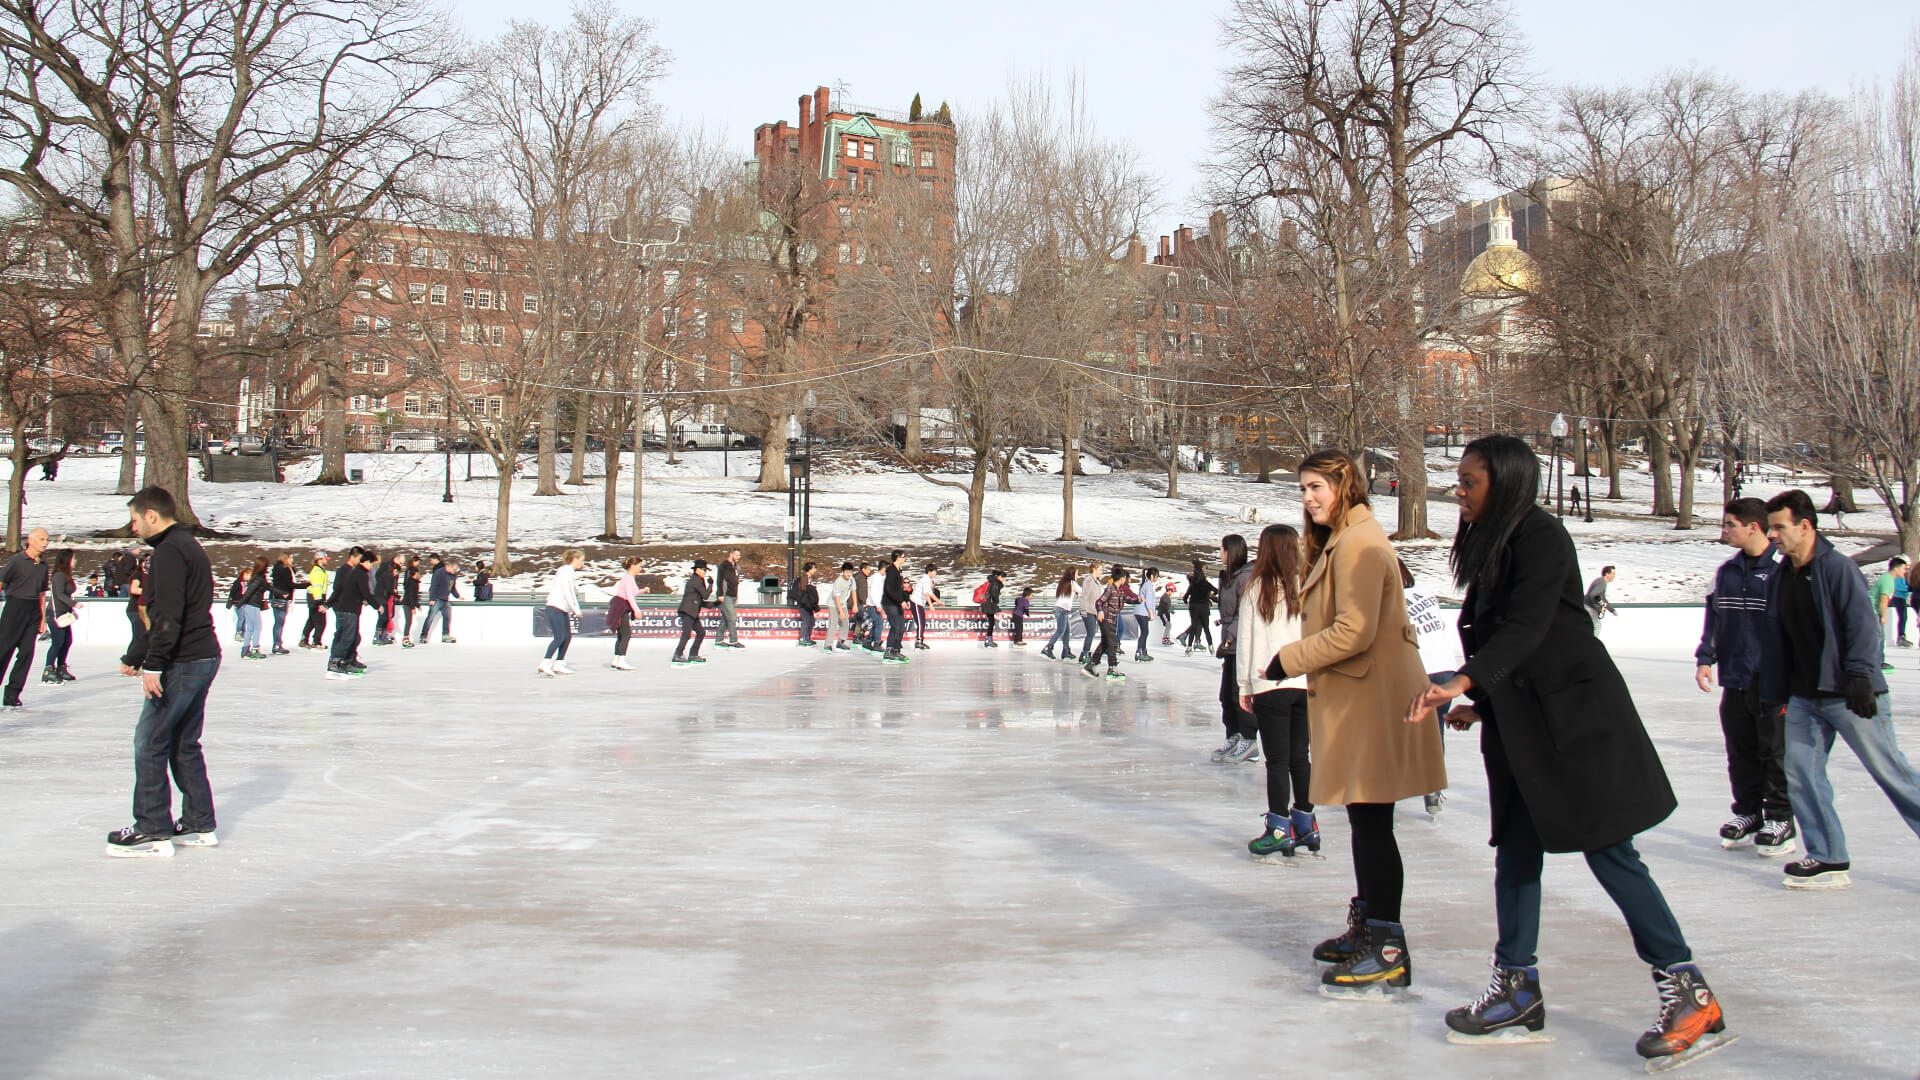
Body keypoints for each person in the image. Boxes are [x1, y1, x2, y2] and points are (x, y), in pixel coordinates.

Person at [1409, 435, 1725, 1066]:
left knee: (1610, 850)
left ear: (1505, 481)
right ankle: (1517, 987)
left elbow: (1531, 627)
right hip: (1524, 721)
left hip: (1574, 720)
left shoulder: (1541, 536)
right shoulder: (1497, 542)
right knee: (1517, 853)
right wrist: (1482, 703)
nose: (1458, 491)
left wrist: (1464, 680)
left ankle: (1687, 989)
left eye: (1470, 481)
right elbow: (1508, 635)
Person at [1268, 448, 1441, 1001]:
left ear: (1347, 486)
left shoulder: (1361, 543)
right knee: (1368, 822)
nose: (1308, 498)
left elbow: (1355, 631)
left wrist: (1288, 659)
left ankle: (1387, 948)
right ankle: (1370, 925)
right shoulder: (1345, 540)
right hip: (1361, 697)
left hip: (1374, 701)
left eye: (1317, 486)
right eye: (1303, 488)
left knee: (1373, 824)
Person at [1762, 489, 1920, 890]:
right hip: (1804, 695)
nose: (1773, 535)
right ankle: (1828, 856)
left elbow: (1862, 626)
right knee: (1801, 774)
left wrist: (1862, 677)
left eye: (1779, 527)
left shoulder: (1836, 569)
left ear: (1805, 526)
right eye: (1770, 528)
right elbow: (1781, 637)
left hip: (1850, 693)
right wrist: (1776, 690)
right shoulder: (1781, 575)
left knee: (1892, 774)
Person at [107, 486, 221, 858]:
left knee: (150, 740)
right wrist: (139, 654)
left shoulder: (170, 552)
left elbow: (168, 614)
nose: (133, 527)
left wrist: (154, 663)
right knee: (182, 742)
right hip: (201, 656)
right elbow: (170, 610)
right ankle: (198, 823)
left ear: (152, 516)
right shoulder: (188, 545)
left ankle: (152, 827)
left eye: (136, 519)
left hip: (183, 660)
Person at [1694, 498, 1796, 856]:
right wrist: (1706, 658)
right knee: (1740, 750)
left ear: (1753, 526)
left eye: (1730, 524)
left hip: (1770, 680)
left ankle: (1780, 816)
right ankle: (1748, 812)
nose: (1724, 531)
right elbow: (1715, 619)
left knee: (1773, 751)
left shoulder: (1782, 571)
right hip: (1734, 677)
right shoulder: (1727, 571)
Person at [1236, 523, 1315, 862]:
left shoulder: (1257, 588)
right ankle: (1307, 822)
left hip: (1269, 681)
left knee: (1277, 761)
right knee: (1301, 757)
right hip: (1304, 681)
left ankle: (1280, 827)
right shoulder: (1307, 587)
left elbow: (1246, 640)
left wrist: (1243, 685)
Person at [1402, 560, 1463, 818]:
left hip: (1420, 669)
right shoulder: (1425, 592)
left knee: (1400, 726)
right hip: (1446, 669)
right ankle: (1433, 786)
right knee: (1435, 730)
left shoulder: (1387, 600)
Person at [1212, 535, 1259, 765]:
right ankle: (1234, 735)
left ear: (1230, 551)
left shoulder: (1246, 578)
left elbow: (1245, 612)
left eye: (1221, 549)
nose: (1219, 554)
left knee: (1239, 694)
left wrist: (1230, 636)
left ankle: (1249, 739)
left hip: (1241, 644)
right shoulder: (1228, 578)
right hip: (1230, 646)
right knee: (1226, 696)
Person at [0, 526, 50, 708]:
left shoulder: (43, 565)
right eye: (42, 539)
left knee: (27, 654)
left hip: (33, 611)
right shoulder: (17, 560)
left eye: (47, 539)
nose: (45, 543)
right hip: (14, 608)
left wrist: (43, 619)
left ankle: (13, 694)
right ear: (31, 540)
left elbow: (43, 593)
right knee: (3, 651)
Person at [1082, 566, 1135, 681]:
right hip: (1106, 619)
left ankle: (1090, 665)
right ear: (1122, 578)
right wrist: (1100, 611)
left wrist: (1138, 600)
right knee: (1112, 643)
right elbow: (1099, 601)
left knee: (1105, 643)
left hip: (1112, 620)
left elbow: (1127, 599)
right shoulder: (1110, 589)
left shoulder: (1120, 590)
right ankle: (1112, 668)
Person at [539, 549, 584, 676]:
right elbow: (567, 591)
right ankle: (545, 662)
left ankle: (559, 662)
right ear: (574, 560)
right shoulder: (566, 572)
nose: (582, 563)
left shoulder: (569, 572)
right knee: (559, 637)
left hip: (562, 608)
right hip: (555, 607)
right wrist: (576, 609)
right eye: (581, 560)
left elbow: (570, 589)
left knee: (567, 636)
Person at [325, 548, 369, 680]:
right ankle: (336, 662)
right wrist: (330, 604)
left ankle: (348, 660)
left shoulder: (353, 571)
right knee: (345, 636)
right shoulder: (344, 571)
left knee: (354, 637)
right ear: (353, 557)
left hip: (351, 608)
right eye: (359, 559)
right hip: (343, 608)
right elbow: (338, 590)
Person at [42, 548, 78, 684]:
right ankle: (48, 670)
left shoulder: (66, 575)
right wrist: (74, 604)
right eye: (73, 558)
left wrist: (71, 610)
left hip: (64, 612)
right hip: (55, 613)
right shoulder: (59, 575)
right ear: (67, 560)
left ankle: (61, 667)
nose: (75, 561)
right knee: (58, 641)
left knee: (67, 640)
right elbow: (59, 594)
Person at [672, 559, 715, 666]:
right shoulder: (696, 580)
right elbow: (705, 595)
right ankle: (677, 655)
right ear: (696, 570)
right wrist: (711, 585)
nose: (705, 572)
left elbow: (699, 599)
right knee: (686, 633)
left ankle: (693, 654)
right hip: (687, 611)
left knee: (701, 632)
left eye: (706, 570)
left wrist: (713, 604)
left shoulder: (697, 580)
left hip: (692, 611)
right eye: (703, 569)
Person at [607, 556, 646, 669]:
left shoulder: (629, 578)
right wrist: (636, 610)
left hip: (620, 605)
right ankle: (621, 660)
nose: (640, 568)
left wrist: (642, 590)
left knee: (621, 634)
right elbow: (629, 595)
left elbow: (632, 593)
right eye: (639, 566)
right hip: (620, 606)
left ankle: (616, 659)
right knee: (626, 634)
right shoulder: (628, 578)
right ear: (632, 566)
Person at [1870, 557, 1906, 674]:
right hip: (1873, 611)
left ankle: (1879, 660)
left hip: (1875, 611)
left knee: (1880, 636)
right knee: (1878, 636)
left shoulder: (1889, 579)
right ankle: (1877, 662)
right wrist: (1883, 615)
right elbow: (1883, 599)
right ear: (1896, 568)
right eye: (1903, 568)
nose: (1904, 572)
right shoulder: (1887, 579)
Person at [419, 556, 459, 643]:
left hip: (445, 599)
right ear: (448, 566)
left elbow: (452, 587)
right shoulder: (439, 572)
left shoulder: (453, 575)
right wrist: (432, 598)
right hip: (437, 599)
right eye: (454, 569)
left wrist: (458, 596)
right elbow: (434, 586)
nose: (454, 571)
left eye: (456, 570)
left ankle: (445, 635)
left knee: (447, 617)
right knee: (430, 617)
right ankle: (423, 635)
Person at [235, 557, 268, 659]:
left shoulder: (255, 577)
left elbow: (268, 587)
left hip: (249, 605)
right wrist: (240, 603)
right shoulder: (259, 578)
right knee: (257, 627)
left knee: (250, 628)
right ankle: (255, 649)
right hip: (253, 605)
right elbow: (249, 592)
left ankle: (245, 650)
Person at [880, 550, 910, 665]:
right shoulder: (892, 571)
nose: (904, 559)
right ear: (897, 558)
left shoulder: (899, 571)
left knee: (901, 627)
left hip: (897, 603)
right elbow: (889, 589)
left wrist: (905, 600)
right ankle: (889, 651)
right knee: (896, 626)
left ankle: (896, 650)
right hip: (890, 603)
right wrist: (900, 601)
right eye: (903, 557)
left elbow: (900, 589)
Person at [1042, 568, 1078, 660]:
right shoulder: (1072, 583)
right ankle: (1048, 648)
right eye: (1077, 574)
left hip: (1061, 610)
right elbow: (1082, 591)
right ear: (1072, 574)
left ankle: (1066, 650)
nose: (1077, 576)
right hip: (1062, 610)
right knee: (1060, 631)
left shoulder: (1063, 583)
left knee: (1066, 631)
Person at [1182, 558, 1215, 655]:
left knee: (1194, 627)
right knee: (1206, 628)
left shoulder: (1192, 584)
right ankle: (1211, 647)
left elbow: (1185, 597)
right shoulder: (1206, 583)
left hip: (1194, 607)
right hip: (1204, 607)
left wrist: (1188, 604)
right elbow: (1215, 590)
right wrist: (1209, 595)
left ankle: (1189, 648)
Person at [299, 553, 330, 648]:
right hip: (316, 598)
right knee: (321, 622)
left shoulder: (320, 570)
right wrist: (319, 601)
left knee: (312, 620)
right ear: (319, 560)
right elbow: (316, 586)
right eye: (325, 559)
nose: (327, 561)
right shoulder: (317, 571)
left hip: (315, 597)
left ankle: (304, 640)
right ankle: (316, 642)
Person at [267, 553, 295, 655]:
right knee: (279, 623)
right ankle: (277, 644)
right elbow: (290, 584)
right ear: (285, 558)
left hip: (275, 597)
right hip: (281, 598)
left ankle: (277, 644)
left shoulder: (277, 568)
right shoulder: (284, 569)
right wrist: (307, 585)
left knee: (278, 623)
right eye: (290, 558)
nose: (292, 560)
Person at [716, 549, 744, 648]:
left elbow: (736, 583)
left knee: (725, 618)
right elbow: (719, 580)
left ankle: (718, 640)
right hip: (725, 595)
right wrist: (720, 594)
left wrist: (736, 597)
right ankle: (733, 640)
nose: (738, 557)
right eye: (737, 555)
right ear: (731, 554)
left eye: (739, 555)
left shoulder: (736, 567)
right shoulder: (724, 566)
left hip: (732, 595)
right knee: (732, 618)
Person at [1075, 562, 1104, 661]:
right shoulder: (1089, 580)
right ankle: (1084, 654)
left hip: (1094, 611)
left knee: (1092, 632)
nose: (1102, 572)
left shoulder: (1096, 581)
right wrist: (1083, 610)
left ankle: (1087, 653)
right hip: (1088, 610)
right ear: (1094, 570)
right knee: (1091, 632)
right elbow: (1084, 596)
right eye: (1100, 570)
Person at [370, 552, 398, 646]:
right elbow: (389, 589)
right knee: (382, 617)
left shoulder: (389, 576)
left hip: (384, 598)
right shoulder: (388, 576)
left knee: (386, 617)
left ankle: (383, 636)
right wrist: (397, 595)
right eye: (396, 572)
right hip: (380, 597)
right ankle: (376, 636)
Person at [911, 564, 940, 651]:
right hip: (916, 602)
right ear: (929, 572)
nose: (935, 574)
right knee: (920, 623)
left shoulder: (928, 580)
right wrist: (931, 604)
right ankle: (918, 642)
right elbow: (926, 593)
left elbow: (930, 593)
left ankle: (920, 640)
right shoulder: (925, 580)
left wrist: (938, 602)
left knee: (922, 622)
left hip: (919, 603)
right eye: (934, 572)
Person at [828, 562, 856, 651]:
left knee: (845, 623)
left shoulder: (851, 579)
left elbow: (853, 591)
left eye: (850, 572)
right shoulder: (838, 582)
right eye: (847, 572)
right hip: (833, 604)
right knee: (834, 623)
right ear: (843, 572)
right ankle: (828, 644)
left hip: (842, 603)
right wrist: (840, 612)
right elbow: (836, 597)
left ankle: (841, 642)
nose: (849, 574)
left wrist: (855, 604)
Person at [1131, 568, 1157, 662]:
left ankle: (1143, 651)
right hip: (1143, 612)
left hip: (1140, 611)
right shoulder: (1148, 585)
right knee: (1145, 632)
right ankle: (1139, 652)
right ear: (1152, 576)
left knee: (1144, 632)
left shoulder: (1146, 584)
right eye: (1156, 576)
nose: (1157, 578)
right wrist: (1151, 613)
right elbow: (1148, 601)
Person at [795, 562, 820, 647]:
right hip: (804, 604)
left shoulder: (808, 578)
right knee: (806, 621)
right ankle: (802, 639)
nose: (815, 570)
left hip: (808, 604)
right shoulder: (805, 578)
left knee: (811, 621)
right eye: (814, 568)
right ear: (809, 569)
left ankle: (807, 638)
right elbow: (803, 590)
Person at [399, 555, 422, 646]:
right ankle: (405, 638)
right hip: (407, 603)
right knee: (408, 621)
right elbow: (411, 596)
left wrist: (417, 605)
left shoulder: (414, 583)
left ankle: (406, 637)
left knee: (409, 621)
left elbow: (414, 596)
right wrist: (413, 607)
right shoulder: (411, 583)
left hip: (409, 603)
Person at [979, 569, 1004, 647]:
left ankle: (988, 640)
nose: (1003, 579)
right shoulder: (994, 583)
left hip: (987, 604)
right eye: (1002, 577)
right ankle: (988, 640)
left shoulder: (990, 582)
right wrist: (997, 600)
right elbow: (994, 595)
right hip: (989, 605)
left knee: (991, 623)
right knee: (991, 623)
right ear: (998, 577)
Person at [1892, 559, 1912, 648]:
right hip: (1898, 597)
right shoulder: (1899, 576)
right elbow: (1898, 586)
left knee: (1904, 617)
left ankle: (1902, 635)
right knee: (1903, 617)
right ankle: (1901, 637)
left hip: (1902, 598)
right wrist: (1910, 588)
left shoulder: (1903, 576)